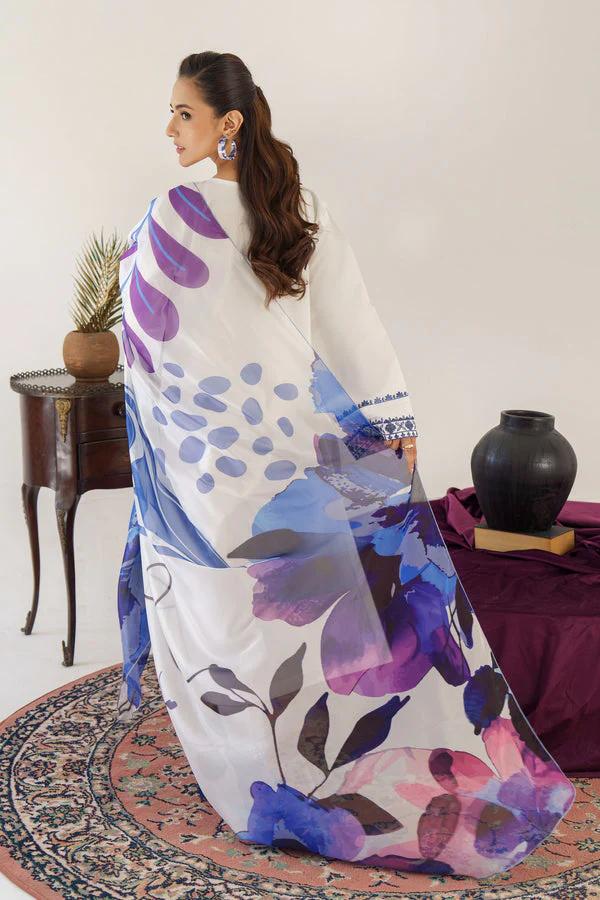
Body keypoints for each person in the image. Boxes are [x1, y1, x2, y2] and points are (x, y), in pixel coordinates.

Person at [116, 51, 575, 879]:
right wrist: (393, 424)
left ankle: (262, 766)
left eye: (183, 112)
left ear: (228, 123)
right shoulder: (294, 207)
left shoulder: (176, 214)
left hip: (217, 460)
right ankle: (313, 766)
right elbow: (352, 327)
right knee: (303, 606)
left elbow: (145, 337)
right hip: (287, 453)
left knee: (241, 611)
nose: (169, 128)